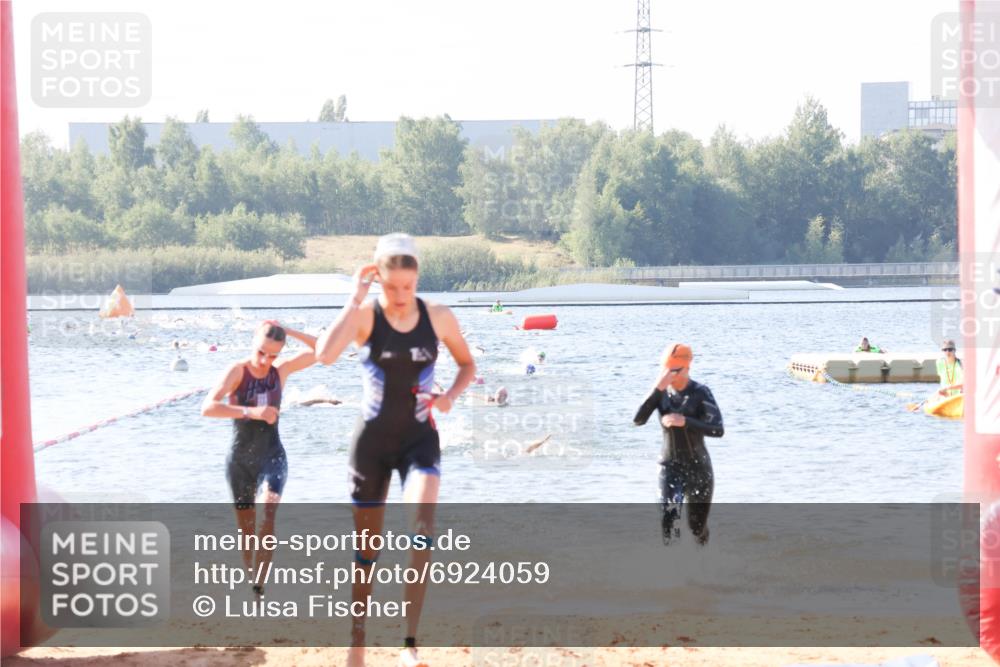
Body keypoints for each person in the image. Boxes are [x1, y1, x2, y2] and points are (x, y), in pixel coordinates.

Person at [316, 233, 476, 667]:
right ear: (378, 278)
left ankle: (409, 644)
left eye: (409, 286)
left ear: (418, 278)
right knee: (367, 551)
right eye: (392, 286)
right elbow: (324, 354)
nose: (401, 295)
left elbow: (467, 364)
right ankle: (357, 639)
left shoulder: (438, 316)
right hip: (370, 446)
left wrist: (450, 397)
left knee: (421, 532)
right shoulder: (364, 316)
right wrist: (355, 297)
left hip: (420, 440)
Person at [201, 320, 318, 596]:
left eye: (273, 355)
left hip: (272, 456)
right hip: (240, 461)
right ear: (253, 341)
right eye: (262, 352)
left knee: (268, 513)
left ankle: (259, 586)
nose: (266, 360)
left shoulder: (281, 371)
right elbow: (208, 407)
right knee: (247, 531)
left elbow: (321, 350)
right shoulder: (237, 371)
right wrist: (251, 412)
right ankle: (251, 583)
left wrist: (289, 331)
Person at [633, 343, 724, 546]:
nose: (669, 375)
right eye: (666, 369)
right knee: (669, 520)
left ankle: (704, 560)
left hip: (699, 469)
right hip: (669, 466)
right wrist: (657, 388)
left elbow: (718, 429)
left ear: (687, 367)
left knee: (696, 526)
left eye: (674, 370)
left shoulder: (700, 393)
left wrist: (686, 421)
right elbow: (638, 420)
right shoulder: (661, 392)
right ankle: (672, 563)